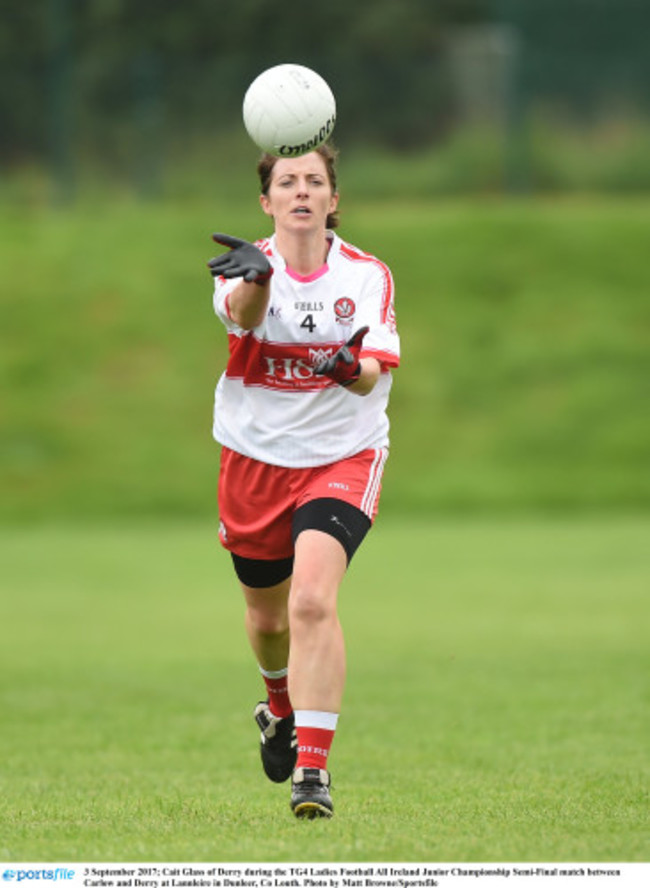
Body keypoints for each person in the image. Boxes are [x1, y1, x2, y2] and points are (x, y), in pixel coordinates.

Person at [207, 143, 400, 818]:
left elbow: (373, 372)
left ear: (332, 199)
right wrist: (259, 276)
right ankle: (278, 708)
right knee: (267, 620)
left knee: (312, 601)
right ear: (267, 202)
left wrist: (346, 367)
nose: (301, 191)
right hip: (255, 460)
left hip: (342, 456)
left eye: (314, 181)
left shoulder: (368, 275)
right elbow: (244, 316)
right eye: (287, 181)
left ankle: (311, 774)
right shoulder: (242, 267)